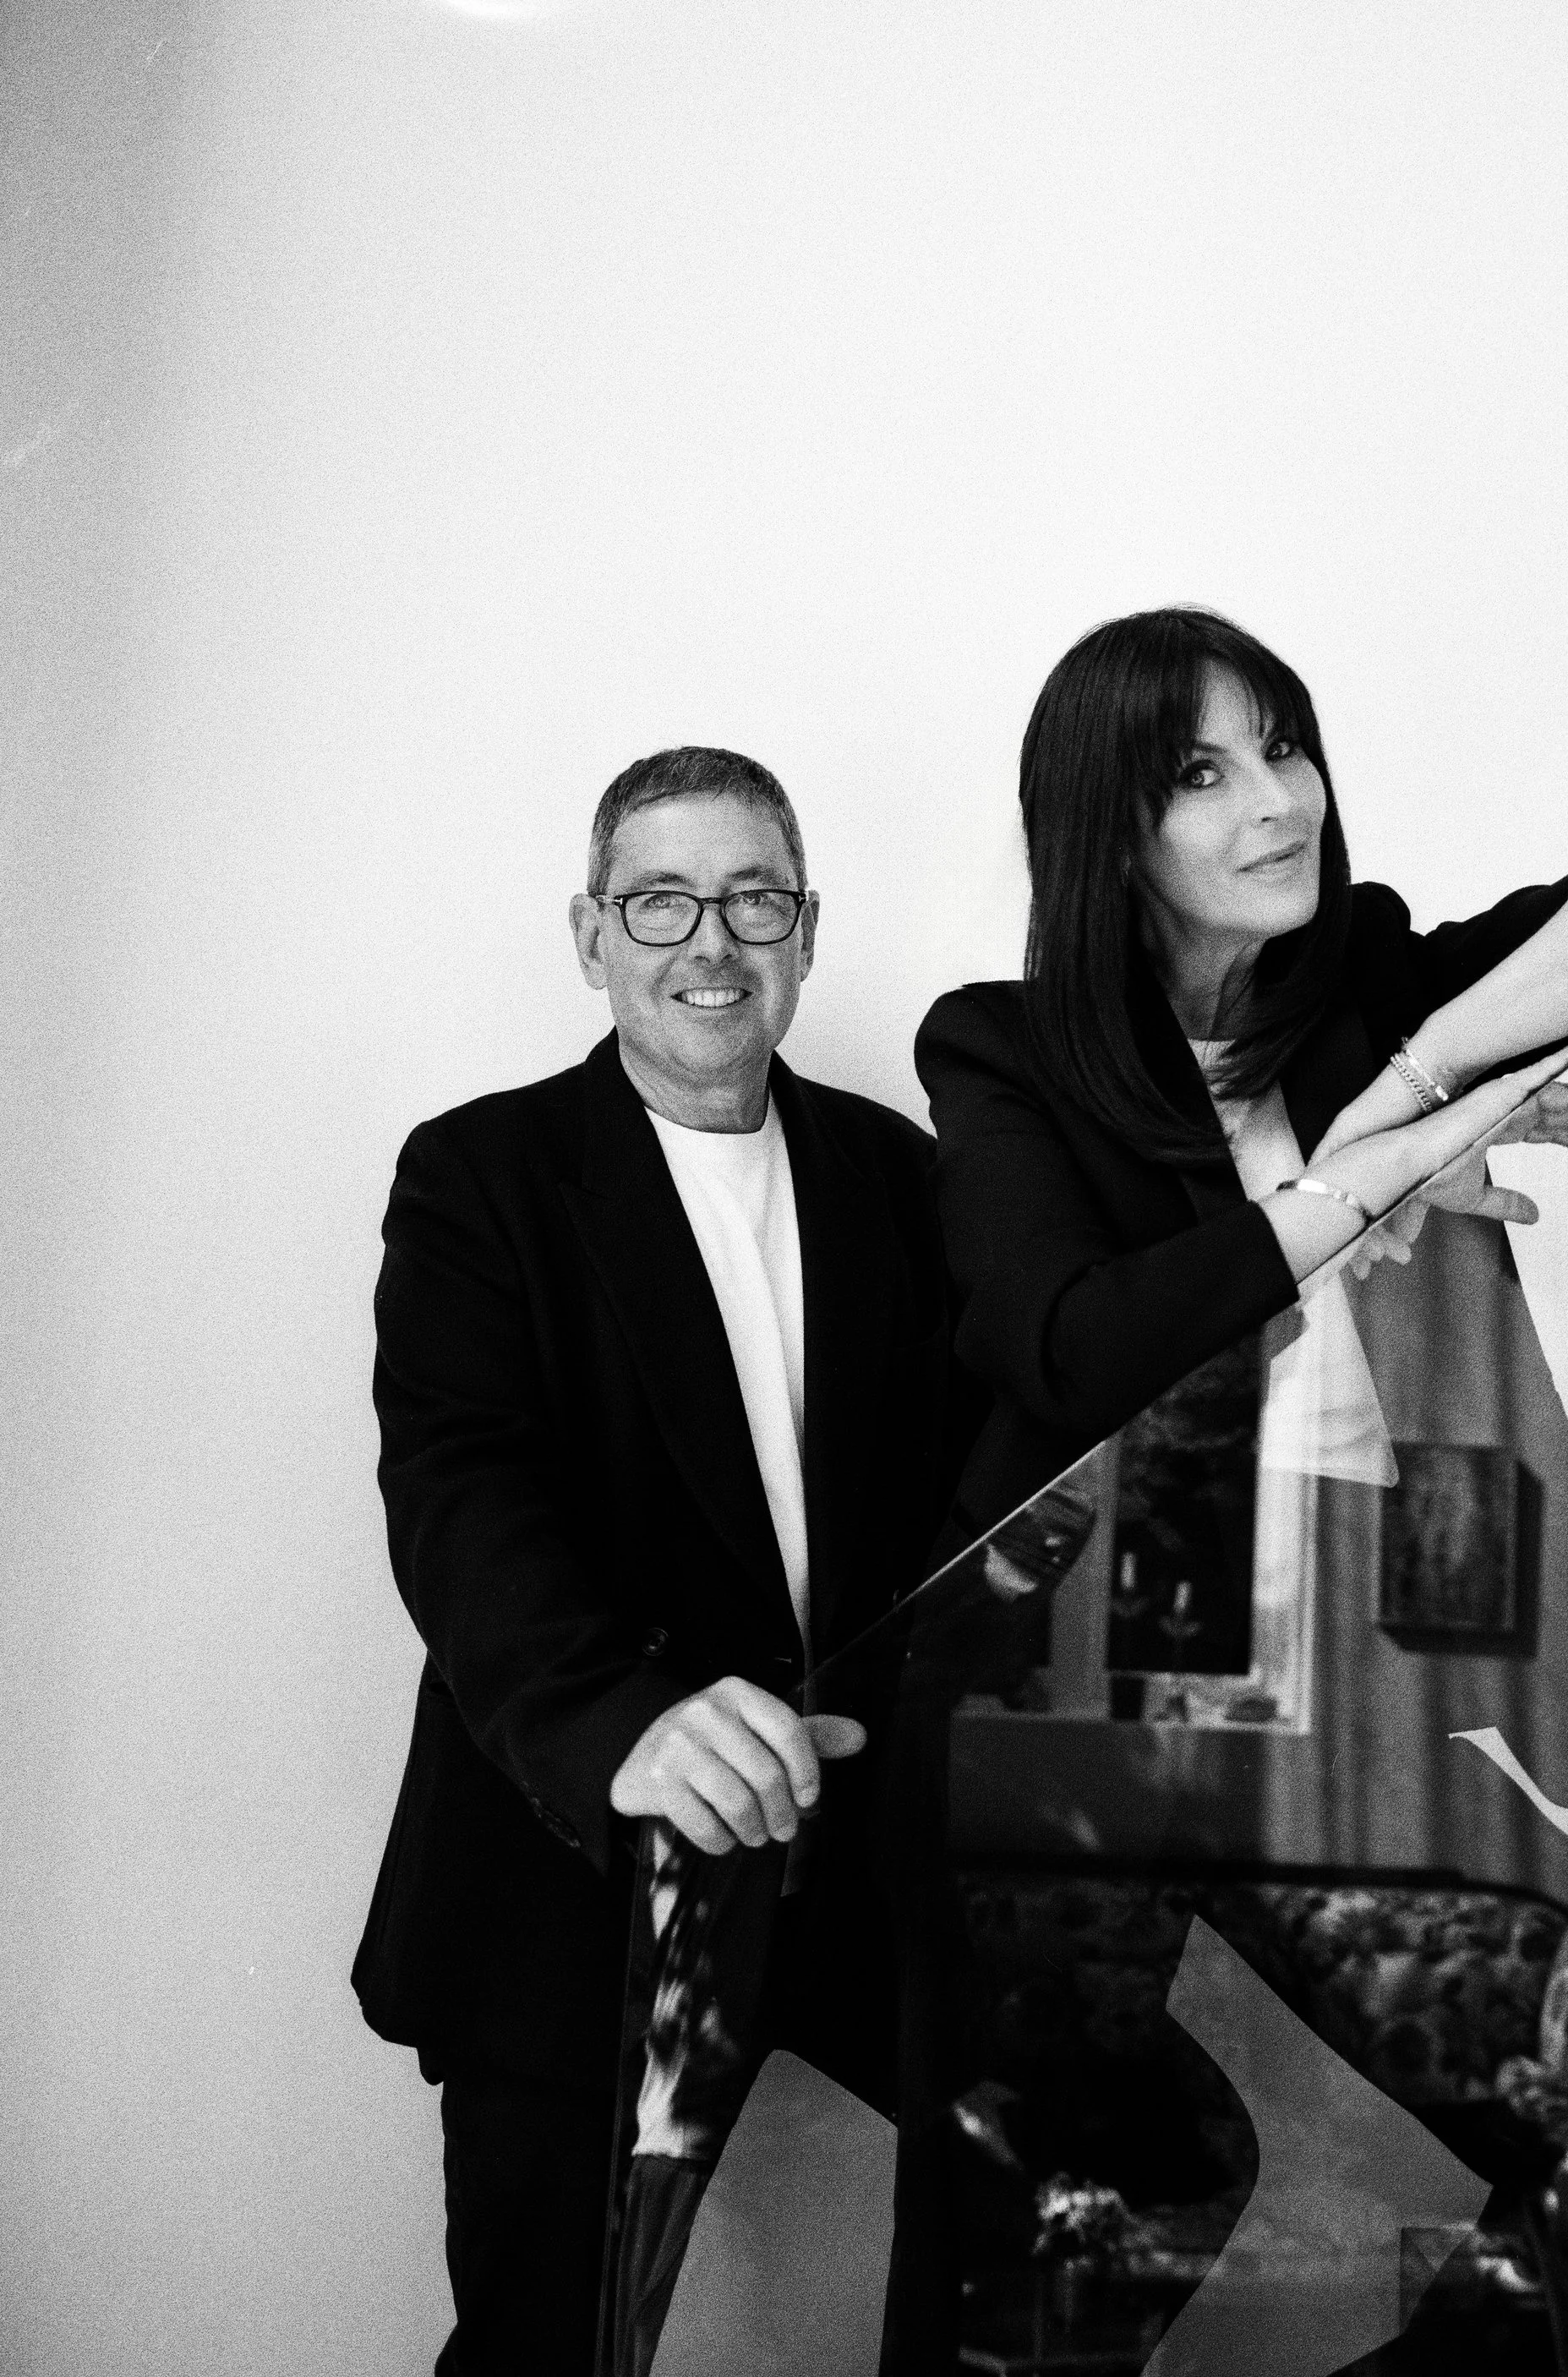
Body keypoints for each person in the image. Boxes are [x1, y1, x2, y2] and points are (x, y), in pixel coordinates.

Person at [351, 746, 979, 2377]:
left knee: (1088, 2174)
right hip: (574, 1882)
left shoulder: (901, 1173)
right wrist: (619, 1718)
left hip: (856, 1856)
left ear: (807, 930)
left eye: (754, 899)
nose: (713, 940)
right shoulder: (480, 1176)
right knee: (548, 2346)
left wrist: (1367, 1194)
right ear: (593, 935)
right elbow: (459, 1495)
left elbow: (1041, 1407)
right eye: (661, 902)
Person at [915, 605, 1568, 1549]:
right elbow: (1074, 1354)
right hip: (1116, 1593)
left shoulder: (1370, 981)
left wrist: (1424, 1073)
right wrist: (1376, 1174)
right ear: (1109, 835)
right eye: (1200, 774)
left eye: (1283, 748)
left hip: (1403, 1578)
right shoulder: (1000, 1047)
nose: (1281, 800)